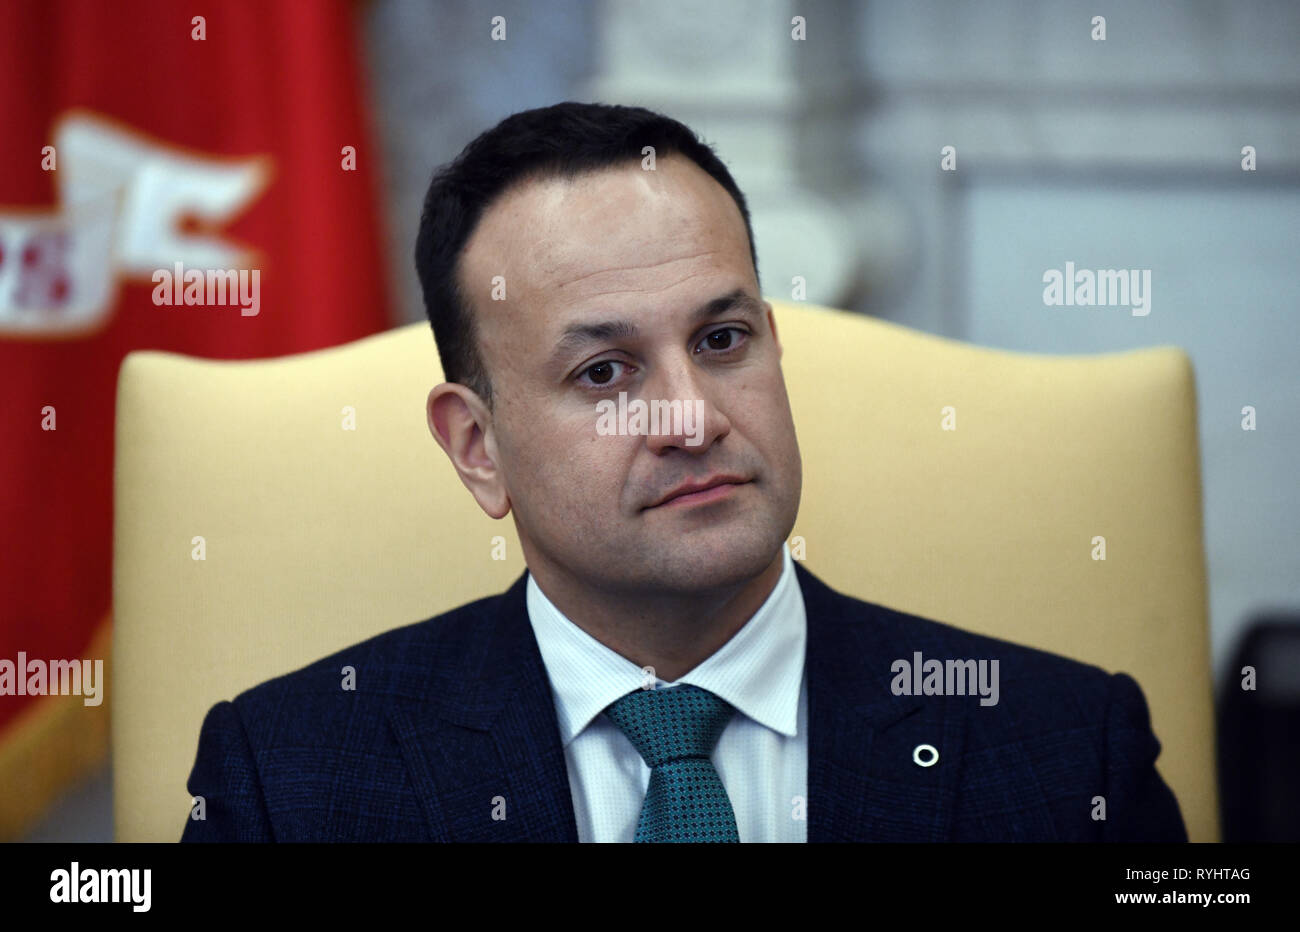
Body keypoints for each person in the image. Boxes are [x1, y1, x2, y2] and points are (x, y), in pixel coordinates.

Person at [181, 102, 1187, 842]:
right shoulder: (292, 780)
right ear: (477, 447)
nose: (694, 418)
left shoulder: (1063, 752)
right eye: (605, 370)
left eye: (720, 339)